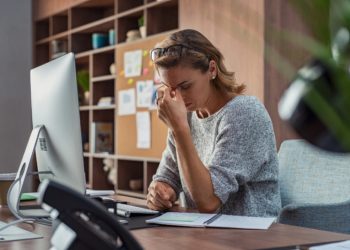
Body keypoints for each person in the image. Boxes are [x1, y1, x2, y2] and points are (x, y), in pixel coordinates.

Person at [146, 29, 281, 216]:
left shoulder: (245, 113)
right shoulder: (186, 116)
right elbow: (168, 176)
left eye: (185, 86)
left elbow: (209, 201)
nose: (177, 97)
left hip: (251, 237)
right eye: (170, 88)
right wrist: (160, 191)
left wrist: (179, 129)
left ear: (211, 69)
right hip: (202, 234)